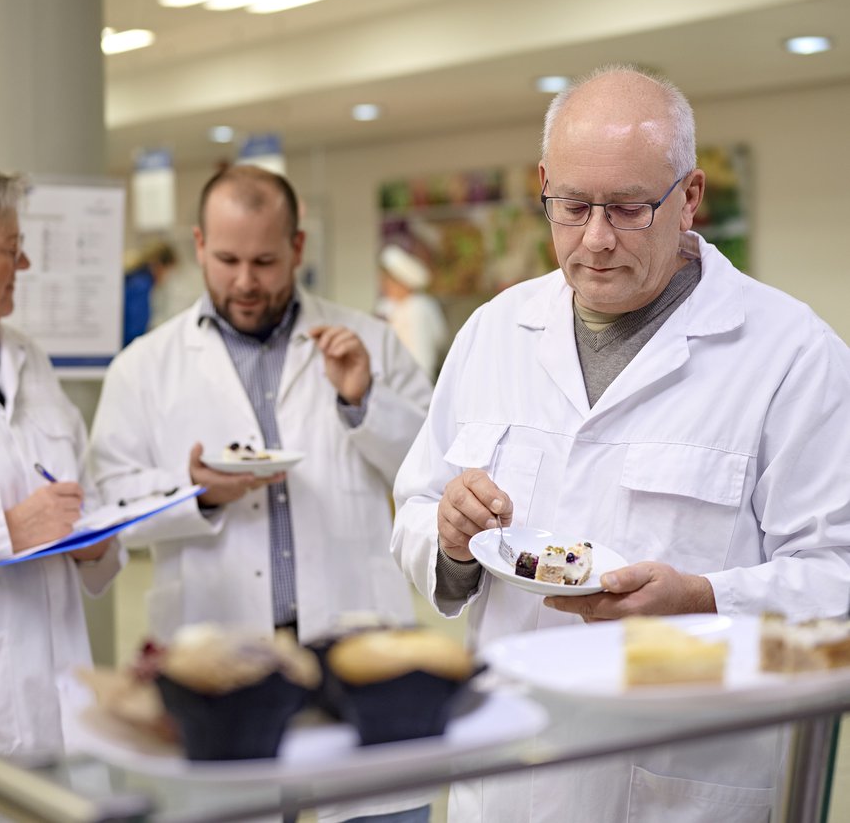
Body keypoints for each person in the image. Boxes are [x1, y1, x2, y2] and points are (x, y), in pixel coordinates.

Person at [391, 65, 850, 822]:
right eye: (571, 207)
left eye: (629, 208)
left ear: (690, 197)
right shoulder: (494, 334)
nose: (596, 239)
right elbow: (414, 505)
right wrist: (448, 538)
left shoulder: (791, 356)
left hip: (681, 785)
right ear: (544, 186)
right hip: (508, 780)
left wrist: (704, 599)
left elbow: (837, 580)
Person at [89, 164, 435, 823]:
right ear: (197, 246)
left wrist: (363, 399)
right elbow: (109, 505)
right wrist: (196, 494)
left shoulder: (369, 343)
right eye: (226, 259)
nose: (245, 281)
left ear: (298, 249)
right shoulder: (144, 367)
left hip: (351, 645)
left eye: (265, 260)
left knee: (372, 810)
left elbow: (429, 467)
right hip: (220, 659)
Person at [0, 153, 123, 822]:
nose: (23, 268)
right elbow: (15, 521)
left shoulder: (30, 360)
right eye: (10, 250)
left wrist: (97, 540)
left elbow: (84, 491)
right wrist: (2, 529)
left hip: (62, 711)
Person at [377, 243, 448, 381]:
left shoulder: (419, 307)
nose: (385, 285)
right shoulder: (386, 306)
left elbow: (424, 355)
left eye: (390, 281)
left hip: (415, 381)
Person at [122, 239, 178, 346]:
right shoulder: (141, 285)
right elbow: (135, 332)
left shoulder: (134, 279)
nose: (167, 277)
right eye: (169, 270)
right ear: (159, 265)